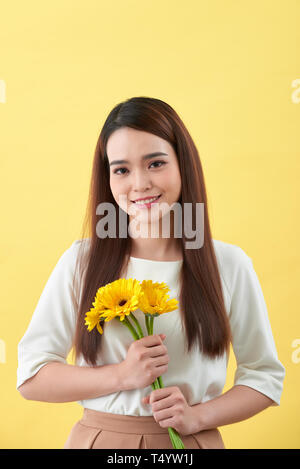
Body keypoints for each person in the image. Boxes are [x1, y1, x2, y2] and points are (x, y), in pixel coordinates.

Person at [17, 97, 285, 449]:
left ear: (182, 166)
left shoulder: (229, 265)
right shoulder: (80, 261)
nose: (139, 184)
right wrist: (120, 375)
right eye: (122, 170)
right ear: (108, 179)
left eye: (155, 163)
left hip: (189, 443)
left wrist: (198, 417)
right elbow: (32, 377)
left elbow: (264, 377)